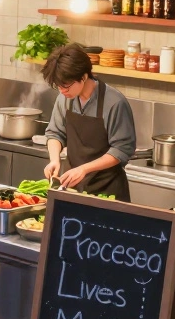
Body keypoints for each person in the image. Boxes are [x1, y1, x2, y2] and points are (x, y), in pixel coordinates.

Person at [42, 44, 135, 201]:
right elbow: (55, 133)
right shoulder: (64, 98)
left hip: (108, 190)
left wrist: (84, 169)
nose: (62, 91)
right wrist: (54, 160)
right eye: (58, 86)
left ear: (84, 77)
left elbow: (122, 150)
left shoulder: (114, 102)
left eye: (66, 86)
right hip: (73, 187)